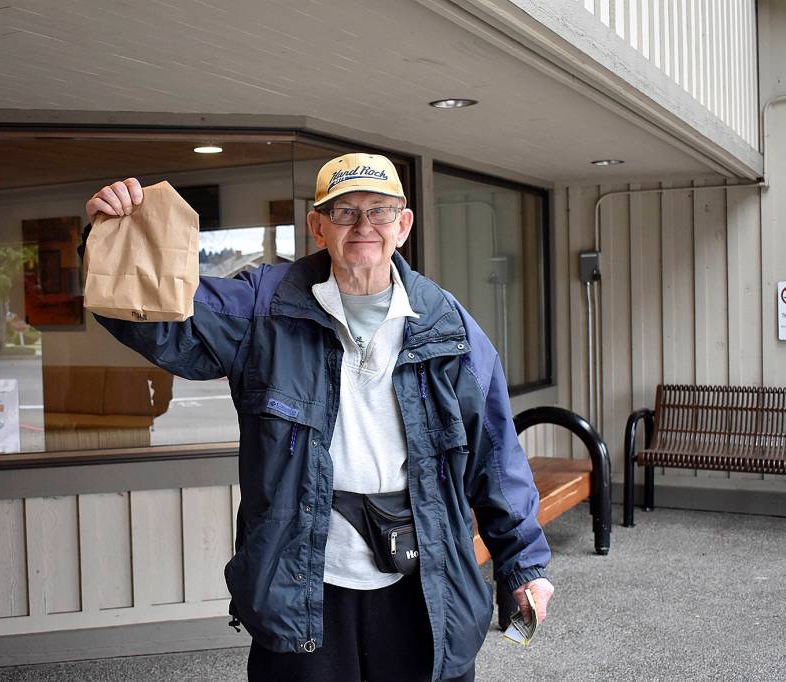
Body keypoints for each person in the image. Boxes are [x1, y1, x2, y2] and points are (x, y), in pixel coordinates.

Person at [84, 153, 554, 682]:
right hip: (303, 581)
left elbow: (496, 455)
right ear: (318, 227)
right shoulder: (265, 307)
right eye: (345, 212)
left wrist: (523, 565)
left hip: (424, 582)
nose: (363, 226)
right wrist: (112, 234)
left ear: (403, 225)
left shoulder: (451, 328)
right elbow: (164, 324)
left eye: (379, 212)